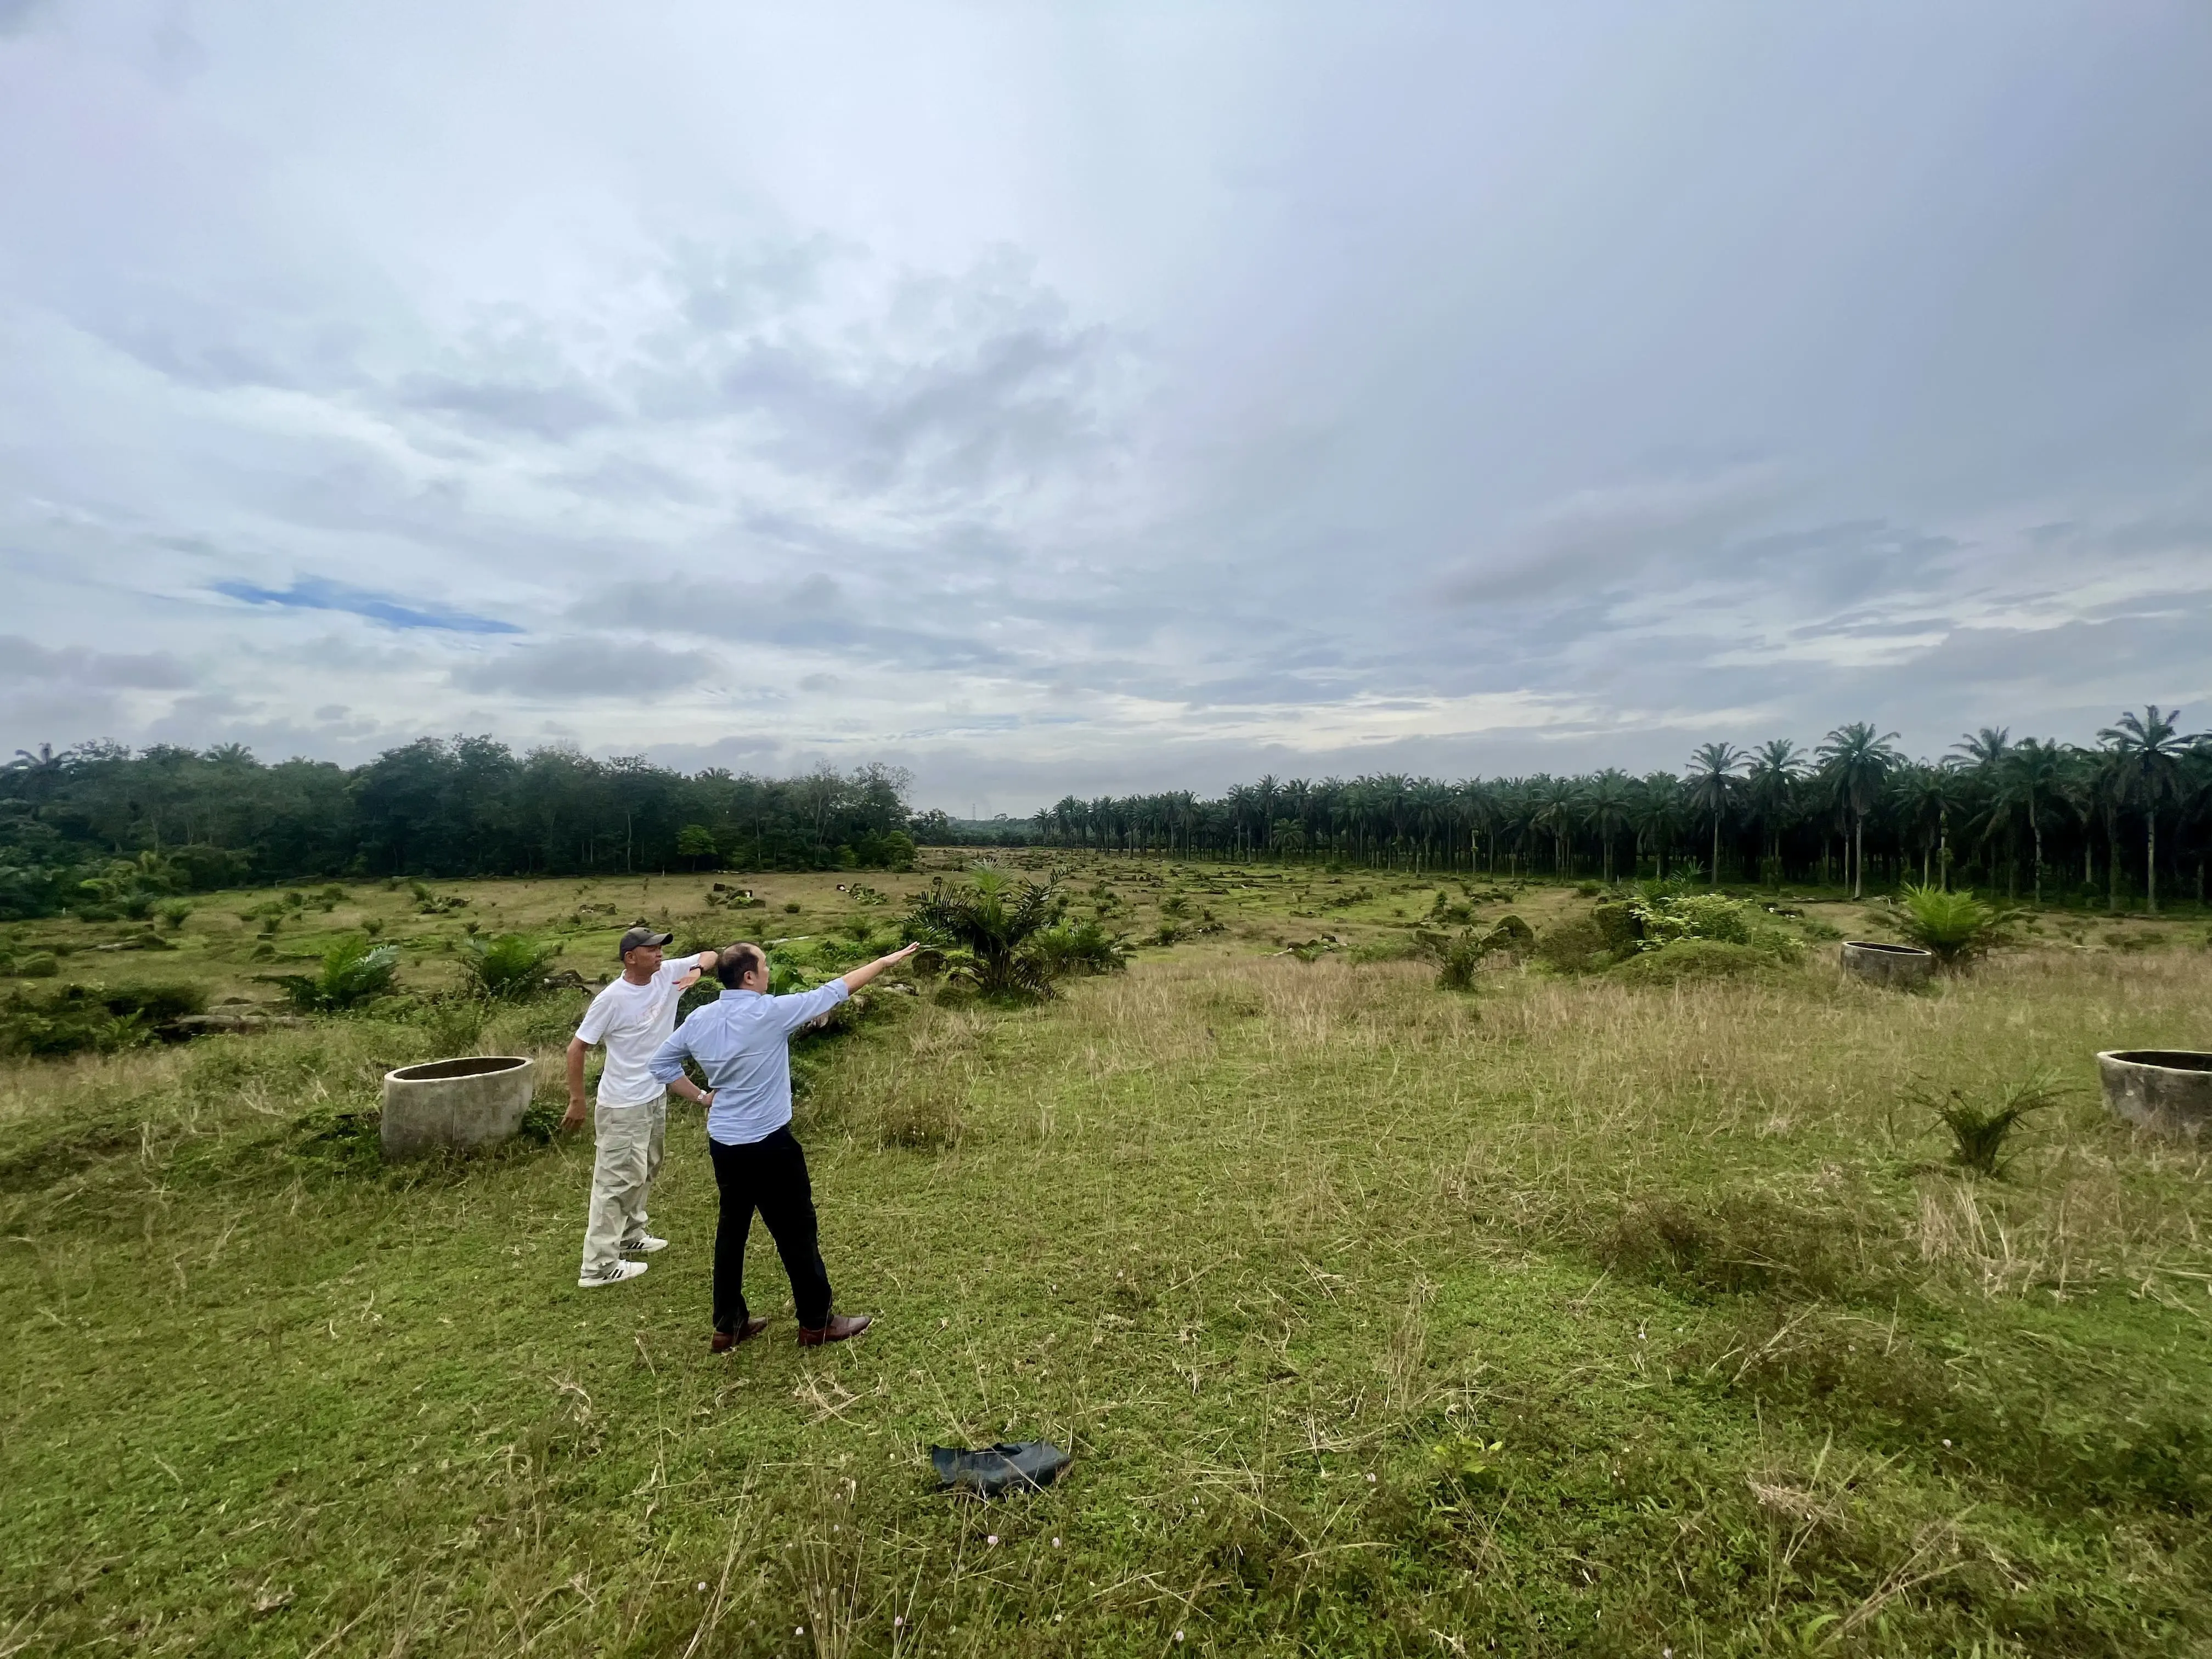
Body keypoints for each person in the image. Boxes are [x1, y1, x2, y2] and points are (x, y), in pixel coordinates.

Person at [649, 938, 919, 1351]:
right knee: (795, 1230)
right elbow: (837, 989)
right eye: (765, 965)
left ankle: (728, 1325)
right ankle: (816, 1322)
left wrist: (703, 1097)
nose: (769, 972)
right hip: (771, 1144)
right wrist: (883, 963)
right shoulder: (769, 1012)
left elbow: (661, 1064)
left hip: (725, 1143)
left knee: (732, 1232)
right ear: (750, 976)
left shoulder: (700, 1018)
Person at [565, 926, 717, 1289]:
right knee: (615, 1181)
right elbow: (577, 1048)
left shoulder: (667, 974)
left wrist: (696, 972)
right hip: (622, 1104)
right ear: (630, 958)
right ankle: (598, 1266)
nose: (660, 953)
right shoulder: (612, 999)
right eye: (651, 949)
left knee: (647, 1167)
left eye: (661, 947)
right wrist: (577, 1100)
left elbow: (711, 955)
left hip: (653, 1095)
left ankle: (631, 1235)